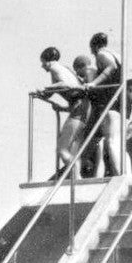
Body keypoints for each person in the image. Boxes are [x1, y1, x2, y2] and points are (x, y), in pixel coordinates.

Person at [38, 47, 87, 178]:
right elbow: (56, 89)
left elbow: (65, 84)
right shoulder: (62, 68)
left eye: (43, 62)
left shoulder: (55, 68)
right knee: (72, 149)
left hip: (79, 107)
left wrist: (46, 88)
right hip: (82, 107)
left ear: (48, 61)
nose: (42, 66)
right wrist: (45, 94)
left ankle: (76, 177)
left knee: (62, 149)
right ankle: (77, 179)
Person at [84, 32, 125, 176]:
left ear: (93, 46)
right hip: (119, 99)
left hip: (110, 100)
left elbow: (111, 67)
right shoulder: (114, 53)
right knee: (117, 142)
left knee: (111, 141)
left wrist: (93, 83)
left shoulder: (101, 54)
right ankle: (123, 174)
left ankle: (120, 175)